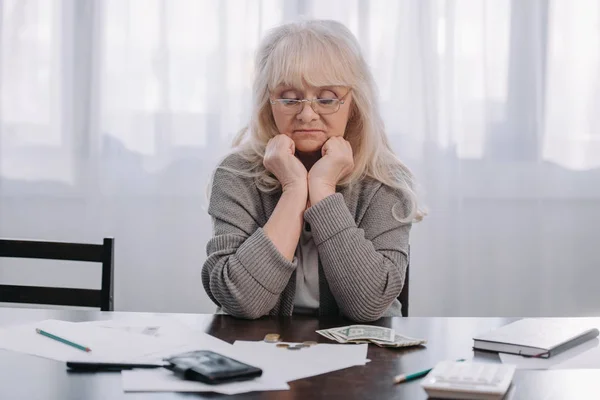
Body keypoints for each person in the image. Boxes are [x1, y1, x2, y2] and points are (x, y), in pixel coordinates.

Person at [202, 19, 423, 322]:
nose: (307, 114)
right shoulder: (235, 174)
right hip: (259, 354)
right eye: (290, 98)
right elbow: (241, 301)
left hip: (363, 359)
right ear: (269, 103)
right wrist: (294, 189)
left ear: (353, 104)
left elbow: (370, 305)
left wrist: (322, 189)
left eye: (327, 98)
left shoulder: (386, 181)